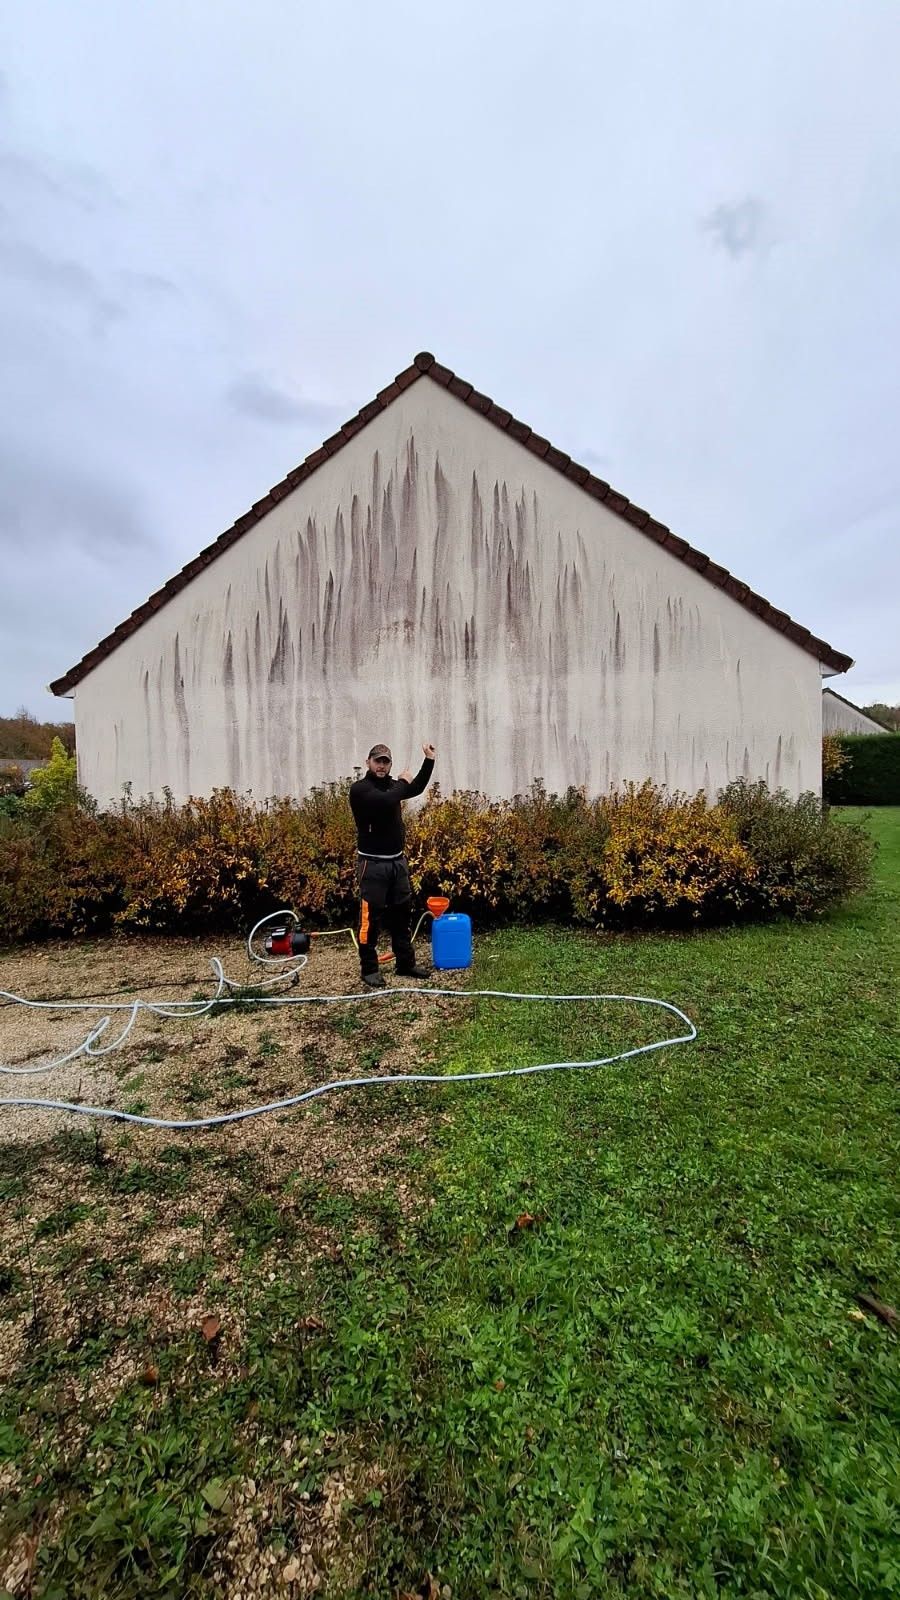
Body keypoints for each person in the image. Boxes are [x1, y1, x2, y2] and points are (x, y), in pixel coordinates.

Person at [349, 741, 436, 988]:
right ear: (368, 762)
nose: (381, 766)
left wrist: (429, 760)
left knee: (402, 916)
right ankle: (369, 969)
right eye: (377, 761)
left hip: (397, 863)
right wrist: (403, 782)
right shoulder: (360, 790)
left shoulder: (392, 787)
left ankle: (405, 964)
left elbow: (416, 787)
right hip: (373, 865)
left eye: (385, 762)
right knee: (370, 921)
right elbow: (386, 800)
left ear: (390, 765)